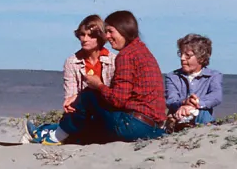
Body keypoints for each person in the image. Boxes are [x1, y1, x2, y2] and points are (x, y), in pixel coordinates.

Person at [30, 10, 166, 145]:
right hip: (152, 128)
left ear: (123, 30)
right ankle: (50, 131)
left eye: (111, 31)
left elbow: (118, 99)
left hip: (132, 125)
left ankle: (55, 137)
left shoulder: (125, 56)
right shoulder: (143, 52)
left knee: (88, 95)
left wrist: (98, 85)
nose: (107, 36)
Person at [165, 34, 223, 127]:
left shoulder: (213, 76)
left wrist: (195, 104)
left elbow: (216, 97)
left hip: (202, 116)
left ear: (201, 58)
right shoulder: (173, 76)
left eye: (187, 55)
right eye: (181, 53)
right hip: (178, 116)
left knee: (203, 113)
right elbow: (171, 100)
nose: (182, 58)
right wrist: (184, 103)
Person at [62, 14, 115, 113]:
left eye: (91, 36)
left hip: (108, 112)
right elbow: (70, 96)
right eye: (82, 34)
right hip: (83, 112)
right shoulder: (72, 62)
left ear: (100, 37)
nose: (85, 39)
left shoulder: (113, 61)